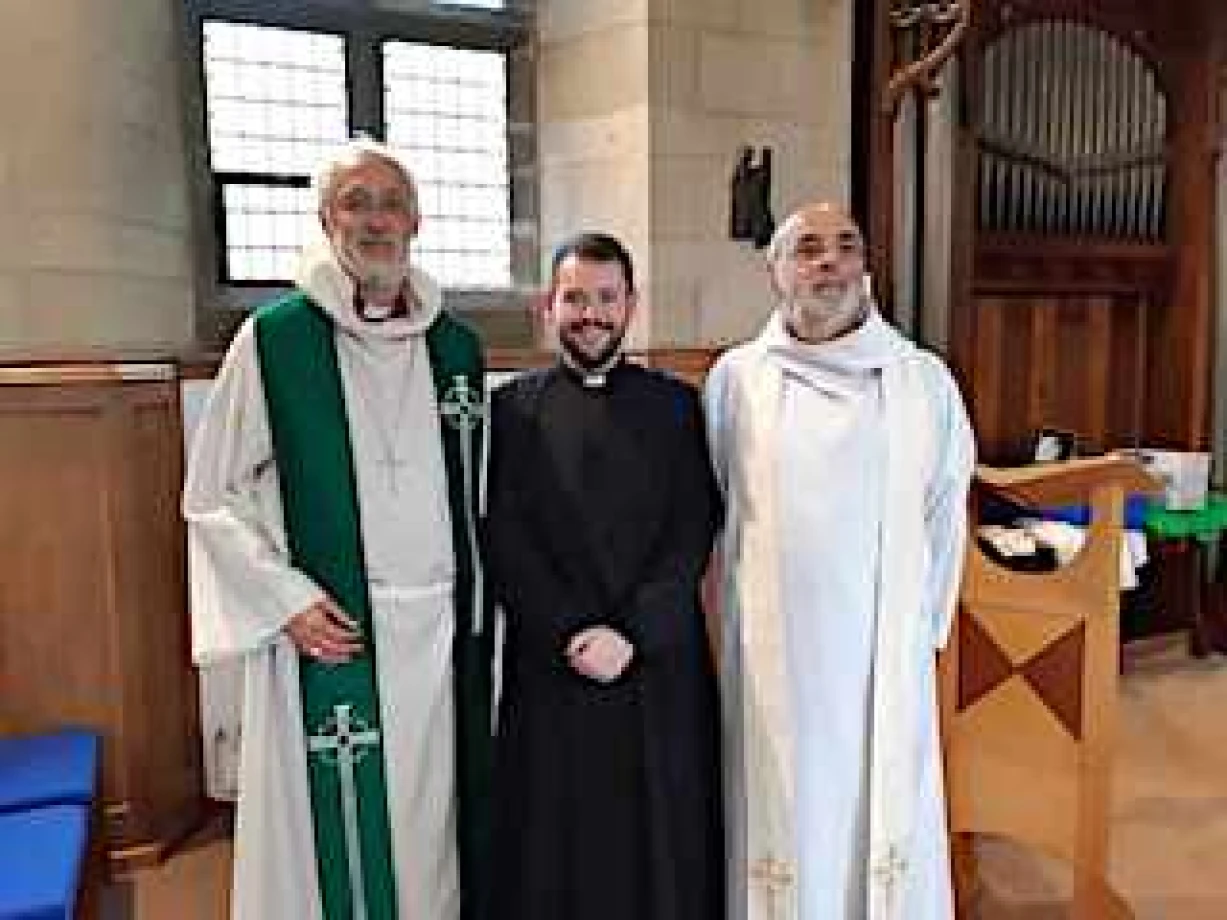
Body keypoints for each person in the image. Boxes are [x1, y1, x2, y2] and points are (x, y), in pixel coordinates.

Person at [183, 138, 493, 920]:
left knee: (434, 832)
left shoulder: (456, 349)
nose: (375, 220)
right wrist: (285, 601)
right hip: (336, 629)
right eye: (356, 203)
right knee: (342, 835)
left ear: (416, 221)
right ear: (326, 220)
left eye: (391, 203)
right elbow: (211, 493)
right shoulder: (278, 340)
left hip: (440, 635)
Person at [705, 203, 975, 920]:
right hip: (773, 661)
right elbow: (715, 511)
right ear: (775, 273)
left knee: (878, 814)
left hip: (880, 657)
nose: (828, 262)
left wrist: (921, 631)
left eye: (845, 246)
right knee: (783, 819)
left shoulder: (922, 381)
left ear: (865, 267)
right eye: (807, 249)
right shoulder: (736, 381)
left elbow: (946, 511)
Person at [485, 233, 724, 919]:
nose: (590, 313)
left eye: (606, 298)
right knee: (552, 839)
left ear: (631, 307)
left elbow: (692, 526)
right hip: (553, 662)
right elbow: (505, 535)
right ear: (547, 307)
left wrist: (635, 630)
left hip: (655, 662)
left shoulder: (677, 407)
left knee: (661, 838)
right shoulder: (511, 411)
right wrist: (570, 630)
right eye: (574, 298)